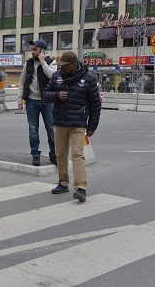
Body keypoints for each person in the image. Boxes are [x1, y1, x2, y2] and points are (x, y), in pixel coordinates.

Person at [43, 51, 101, 202]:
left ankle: (81, 188)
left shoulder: (88, 79)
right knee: (60, 154)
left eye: (64, 66)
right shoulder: (56, 76)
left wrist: (92, 126)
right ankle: (62, 183)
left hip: (78, 124)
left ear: (74, 65)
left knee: (77, 154)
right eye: (60, 66)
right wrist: (56, 95)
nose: (61, 68)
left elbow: (95, 105)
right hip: (60, 122)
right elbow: (45, 94)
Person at [17, 39, 57, 167]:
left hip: (47, 100)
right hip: (31, 100)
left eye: (35, 49)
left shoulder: (52, 62)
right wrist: (20, 99)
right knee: (33, 129)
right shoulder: (28, 64)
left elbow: (53, 76)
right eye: (32, 49)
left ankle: (54, 154)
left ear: (42, 51)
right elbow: (22, 82)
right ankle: (35, 154)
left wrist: (43, 62)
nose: (32, 51)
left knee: (51, 128)